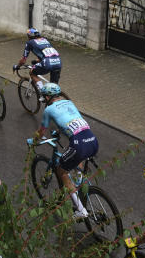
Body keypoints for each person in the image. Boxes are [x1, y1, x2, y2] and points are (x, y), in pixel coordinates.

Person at [26, 83, 98, 220]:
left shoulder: (48, 110)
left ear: (47, 97)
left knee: (61, 171)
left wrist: (34, 141)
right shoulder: (69, 102)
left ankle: (81, 210)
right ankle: (78, 179)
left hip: (78, 145)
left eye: (43, 97)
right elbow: (69, 119)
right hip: (92, 140)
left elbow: (41, 132)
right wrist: (59, 131)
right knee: (76, 158)